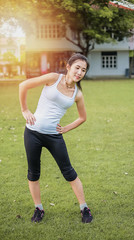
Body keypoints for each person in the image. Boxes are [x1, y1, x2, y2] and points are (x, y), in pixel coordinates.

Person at [19, 53, 93, 224]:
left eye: (83, 70)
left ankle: (84, 208)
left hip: (54, 136)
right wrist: (25, 110)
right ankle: (39, 208)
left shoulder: (77, 94)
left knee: (69, 172)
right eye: (77, 67)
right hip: (32, 133)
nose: (80, 72)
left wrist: (66, 128)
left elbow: (83, 117)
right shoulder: (53, 78)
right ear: (68, 66)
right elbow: (23, 85)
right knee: (33, 173)